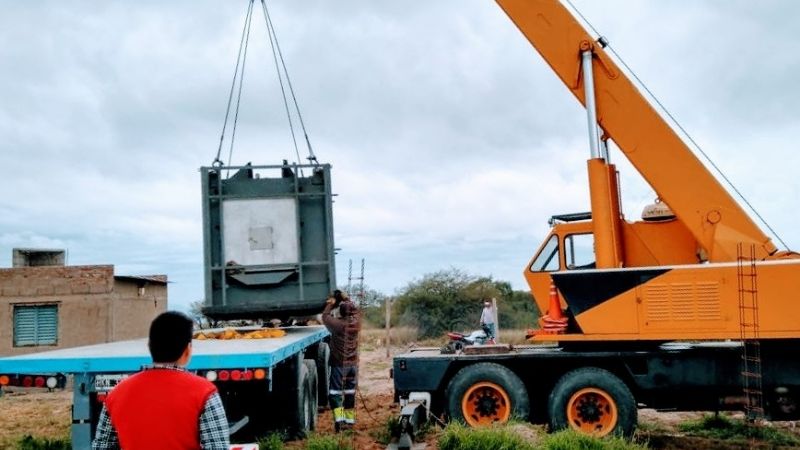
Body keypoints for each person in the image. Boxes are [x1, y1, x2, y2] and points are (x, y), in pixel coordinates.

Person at [92, 311, 229, 450]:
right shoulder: (205, 393)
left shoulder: (116, 394)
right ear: (187, 350)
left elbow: (102, 447)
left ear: (149, 346)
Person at [322, 290, 361, 432]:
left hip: (340, 365)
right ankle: (350, 422)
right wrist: (346, 298)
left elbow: (325, 316)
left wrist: (331, 303)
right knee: (350, 393)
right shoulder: (357, 323)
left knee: (335, 393)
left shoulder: (337, 325)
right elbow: (354, 310)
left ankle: (340, 422)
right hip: (352, 366)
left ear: (341, 312)